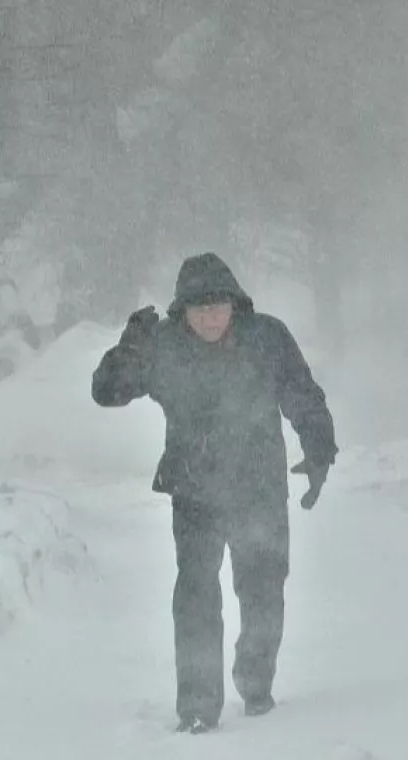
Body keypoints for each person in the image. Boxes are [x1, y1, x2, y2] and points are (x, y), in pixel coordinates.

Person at [91, 252, 337, 733]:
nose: (209, 317)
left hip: (259, 488)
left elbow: (302, 394)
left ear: (234, 304)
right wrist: (128, 349)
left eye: (218, 306)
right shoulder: (163, 347)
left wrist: (319, 447)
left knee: (263, 588)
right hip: (195, 492)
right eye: (198, 308)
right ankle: (199, 706)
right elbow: (107, 392)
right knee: (197, 595)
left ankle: (255, 677)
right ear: (182, 310)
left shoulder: (266, 339)